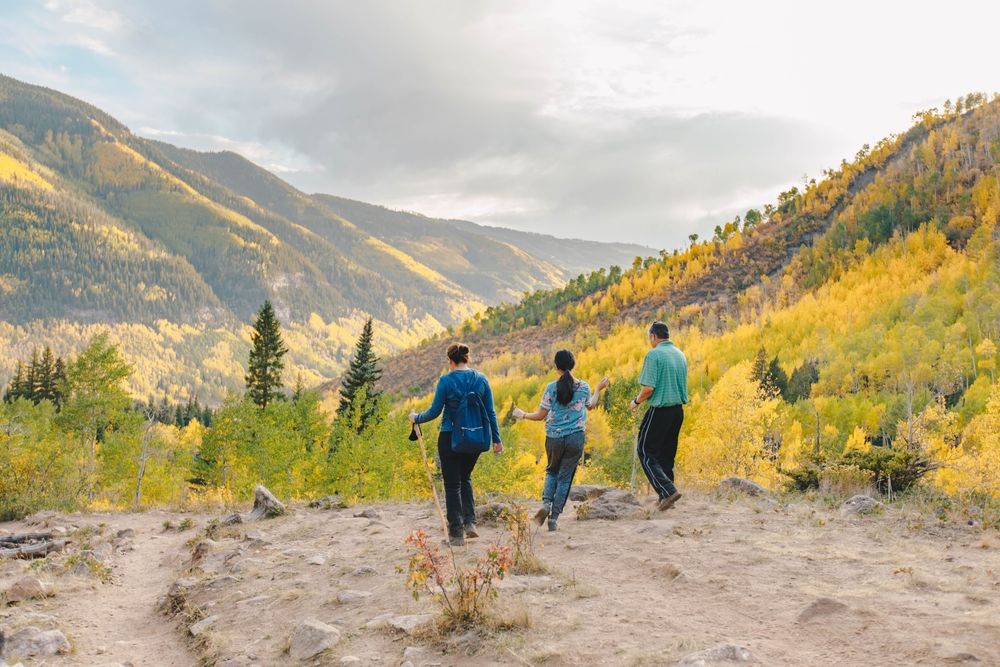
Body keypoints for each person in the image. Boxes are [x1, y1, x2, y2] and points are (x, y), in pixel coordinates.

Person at [409, 343, 503, 546]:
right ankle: (470, 523)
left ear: (450, 361)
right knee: (465, 477)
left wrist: (416, 417)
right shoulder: (481, 379)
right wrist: (497, 439)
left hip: (450, 437)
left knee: (452, 485)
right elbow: (491, 412)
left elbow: (434, 412)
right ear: (466, 358)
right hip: (476, 439)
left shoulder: (446, 381)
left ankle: (456, 534)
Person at [513, 350, 609, 531]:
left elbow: (541, 415)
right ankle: (554, 519)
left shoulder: (551, 388)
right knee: (565, 479)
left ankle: (546, 504)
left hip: (554, 438)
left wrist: (523, 414)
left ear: (556, 367)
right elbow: (591, 405)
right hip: (575, 438)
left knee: (551, 472)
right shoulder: (584, 387)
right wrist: (598, 388)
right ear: (573, 365)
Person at [630, 320, 688, 511]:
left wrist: (636, 402)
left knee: (645, 451)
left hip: (660, 410)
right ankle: (667, 498)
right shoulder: (680, 355)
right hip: (677, 411)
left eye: (650, 337)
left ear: (653, 336)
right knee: (666, 455)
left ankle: (668, 491)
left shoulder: (654, 355)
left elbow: (648, 388)